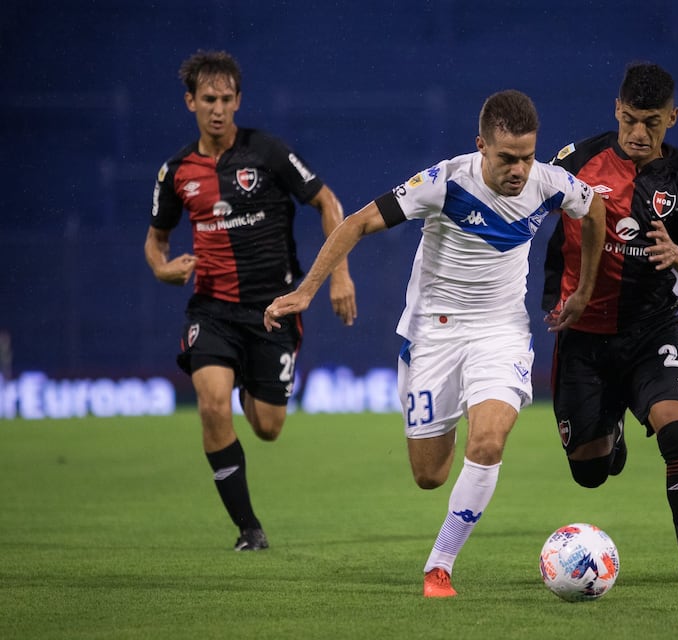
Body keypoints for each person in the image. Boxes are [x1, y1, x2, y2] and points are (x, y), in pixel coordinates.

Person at [264, 90, 606, 597]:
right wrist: (306, 291)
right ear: (481, 147)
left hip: (501, 331)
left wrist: (584, 290)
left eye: (527, 157)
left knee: (489, 441)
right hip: (435, 333)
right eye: (507, 158)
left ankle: (439, 565)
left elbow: (595, 209)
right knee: (430, 475)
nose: (519, 170)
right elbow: (356, 223)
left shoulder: (549, 184)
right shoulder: (444, 183)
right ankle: (446, 414)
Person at [144, 50, 356, 551]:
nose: (217, 109)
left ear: (238, 100)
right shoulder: (176, 172)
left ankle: (247, 381)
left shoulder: (269, 153)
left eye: (226, 99)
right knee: (212, 405)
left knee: (268, 427)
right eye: (207, 99)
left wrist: (339, 276)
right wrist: (161, 268)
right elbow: (156, 238)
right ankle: (249, 529)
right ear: (190, 101)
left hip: (272, 310)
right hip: (211, 310)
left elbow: (328, 202)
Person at [542, 62, 678, 590]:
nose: (639, 134)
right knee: (590, 472)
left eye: (651, 122)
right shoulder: (576, 160)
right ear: (616, 110)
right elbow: (523, 211)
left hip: (652, 330)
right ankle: (610, 431)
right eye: (630, 120)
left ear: (672, 117)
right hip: (583, 335)